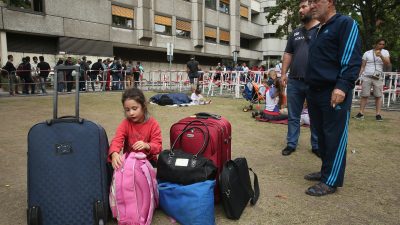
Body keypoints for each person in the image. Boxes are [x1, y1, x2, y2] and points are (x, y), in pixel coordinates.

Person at [304, 0, 362, 196]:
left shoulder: (345, 23)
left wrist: (342, 86)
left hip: (333, 91)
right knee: (320, 136)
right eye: (309, 2)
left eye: (315, 1)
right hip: (314, 91)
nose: (311, 6)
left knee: (334, 137)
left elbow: (352, 59)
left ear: (330, 2)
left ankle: (331, 181)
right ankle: (325, 171)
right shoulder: (319, 30)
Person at [280, 0, 320, 156]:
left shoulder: (322, 29)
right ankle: (291, 143)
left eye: (303, 7)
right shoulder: (295, 32)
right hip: (295, 81)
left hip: (315, 81)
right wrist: (283, 73)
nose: (300, 10)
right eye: (299, 8)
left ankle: (316, 145)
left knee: (316, 115)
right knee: (293, 115)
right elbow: (288, 53)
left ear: (312, 7)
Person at [109, 87, 162, 169]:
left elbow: (158, 146)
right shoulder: (125, 123)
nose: (131, 113)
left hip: (149, 161)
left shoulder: (153, 124)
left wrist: (147, 145)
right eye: (127, 110)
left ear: (143, 106)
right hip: (130, 161)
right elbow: (117, 139)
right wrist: (114, 153)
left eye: (134, 108)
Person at [354, 38, 391, 121]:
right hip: (367, 75)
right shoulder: (367, 53)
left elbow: (388, 64)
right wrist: (358, 76)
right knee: (364, 95)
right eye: (380, 44)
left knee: (378, 95)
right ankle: (361, 113)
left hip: (377, 76)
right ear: (376, 44)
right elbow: (363, 66)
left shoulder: (385, 52)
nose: (381, 46)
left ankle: (378, 114)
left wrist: (381, 55)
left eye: (383, 44)